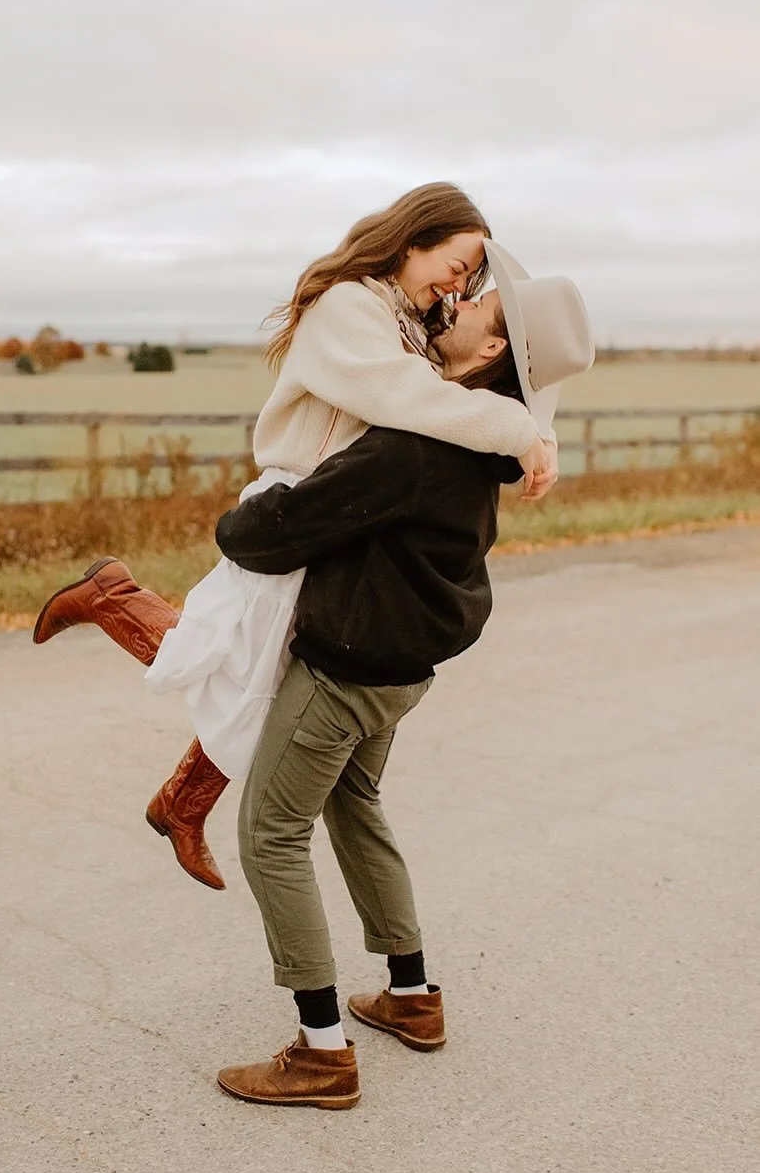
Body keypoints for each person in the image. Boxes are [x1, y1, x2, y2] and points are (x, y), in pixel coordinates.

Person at [33, 186, 557, 891]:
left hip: (337, 517)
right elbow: (410, 400)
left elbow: (471, 389)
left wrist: (533, 422)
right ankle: (111, 594)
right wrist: (522, 434)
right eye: (458, 265)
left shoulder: (406, 317)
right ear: (413, 242)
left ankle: (180, 805)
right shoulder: (351, 308)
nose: (458, 286)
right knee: (222, 656)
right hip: (297, 506)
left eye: (470, 280)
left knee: (267, 678)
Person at [211, 253, 595, 1109]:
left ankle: (320, 1054)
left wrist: (233, 522)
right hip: (402, 668)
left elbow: (282, 529)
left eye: (474, 301)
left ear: (491, 344)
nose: (454, 302)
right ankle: (413, 996)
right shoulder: (480, 438)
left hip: (350, 665)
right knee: (355, 807)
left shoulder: (421, 442)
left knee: (271, 833)